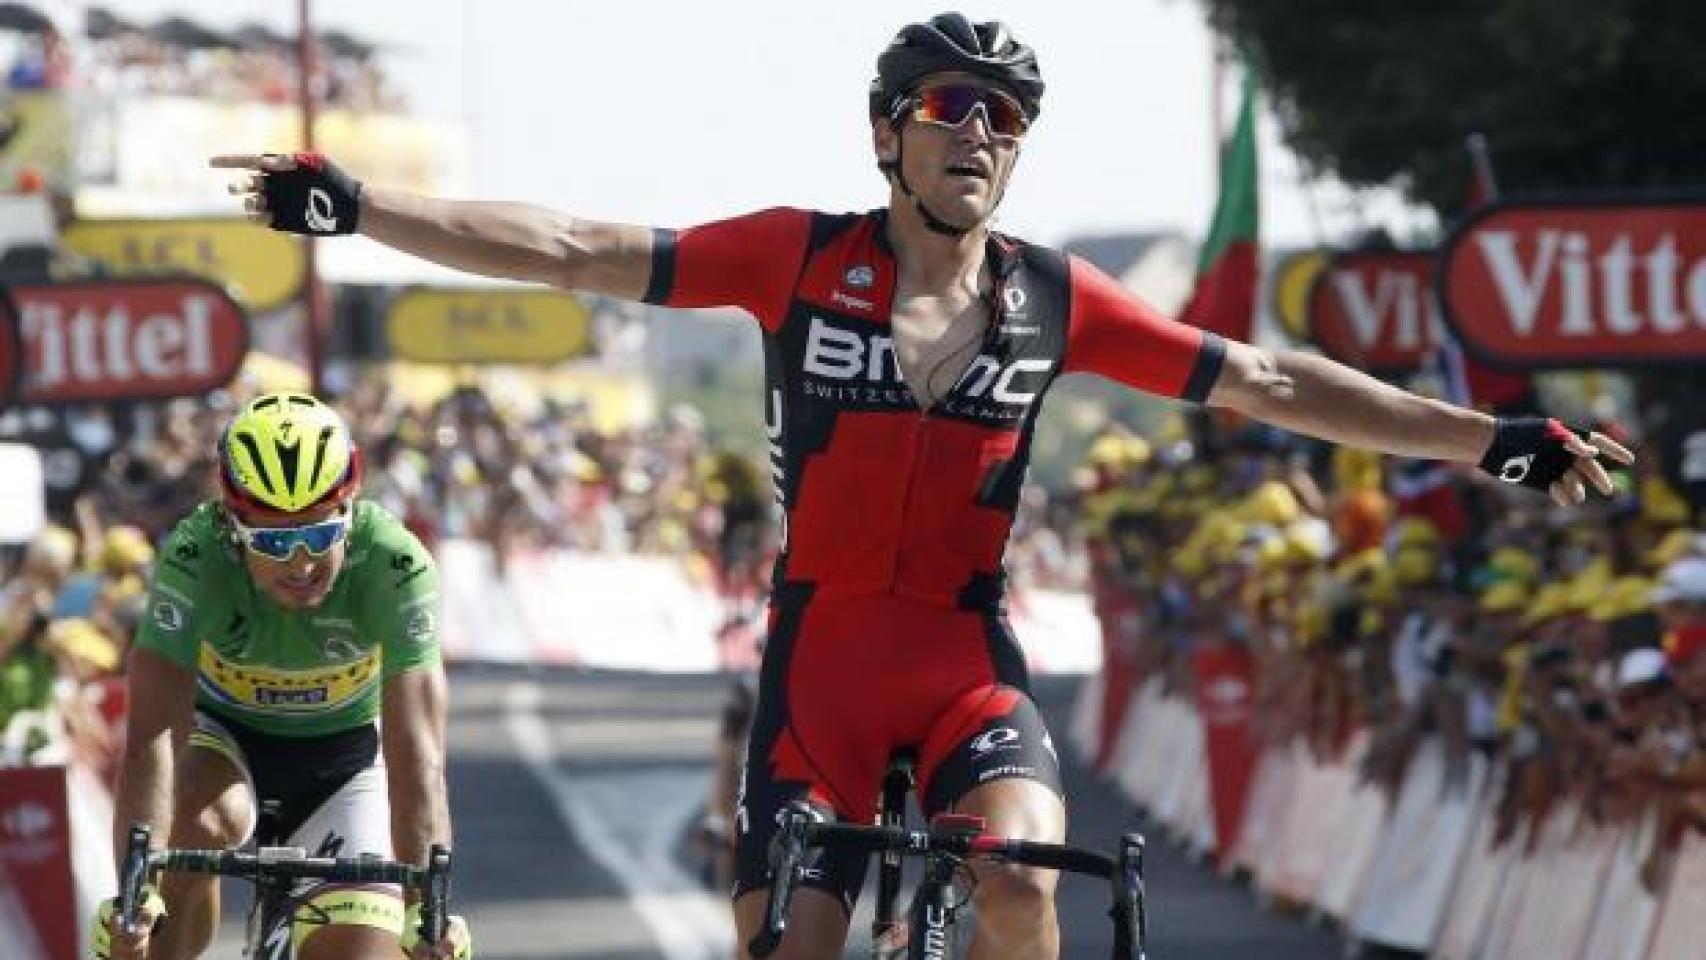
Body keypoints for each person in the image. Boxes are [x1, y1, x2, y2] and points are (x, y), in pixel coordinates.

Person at [211, 13, 1629, 959]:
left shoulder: (1058, 302)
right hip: (817, 671)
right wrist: (363, 207)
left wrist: (1483, 436)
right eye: (954, 107)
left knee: (1019, 886)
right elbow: (577, 246)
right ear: (887, 131)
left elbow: (1266, 381)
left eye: (1009, 118)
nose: (982, 134)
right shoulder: (791, 256)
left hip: (966, 668)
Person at [94, 393, 470, 960]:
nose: (300, 563)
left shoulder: (396, 566)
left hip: (344, 764)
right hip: (224, 746)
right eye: (271, 541)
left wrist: (429, 907)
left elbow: (417, 752)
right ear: (231, 522)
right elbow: (152, 738)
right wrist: (134, 894)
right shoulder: (196, 560)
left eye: (320, 534)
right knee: (193, 828)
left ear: (351, 508)